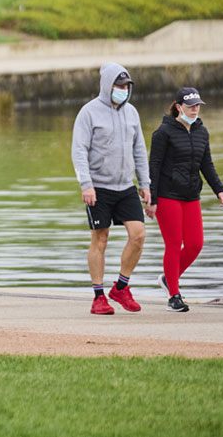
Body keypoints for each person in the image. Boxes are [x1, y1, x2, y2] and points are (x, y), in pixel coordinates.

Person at [71, 62, 151, 315]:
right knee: (100, 239)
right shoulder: (89, 112)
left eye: (127, 86)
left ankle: (121, 287)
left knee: (138, 234)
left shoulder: (132, 113)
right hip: (99, 187)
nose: (123, 90)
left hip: (126, 186)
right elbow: (79, 150)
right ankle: (98, 297)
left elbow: (139, 150)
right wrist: (86, 184)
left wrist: (145, 184)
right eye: (119, 86)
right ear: (108, 86)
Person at [149, 87, 223, 313]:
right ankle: (173, 295)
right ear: (178, 107)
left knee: (195, 244)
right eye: (191, 105)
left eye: (197, 106)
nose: (195, 109)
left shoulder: (202, 132)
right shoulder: (163, 133)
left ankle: (168, 279)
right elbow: (153, 166)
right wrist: (152, 198)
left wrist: (219, 189)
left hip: (191, 194)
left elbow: (207, 164)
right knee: (174, 244)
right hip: (167, 195)